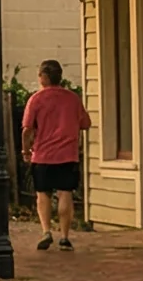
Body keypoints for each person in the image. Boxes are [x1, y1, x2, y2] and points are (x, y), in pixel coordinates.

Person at [21, 59, 91, 251]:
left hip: (42, 155)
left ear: (43, 77)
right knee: (65, 193)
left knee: (42, 194)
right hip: (68, 155)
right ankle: (65, 236)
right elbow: (86, 123)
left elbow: (27, 129)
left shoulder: (36, 99)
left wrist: (26, 150)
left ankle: (46, 231)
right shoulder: (72, 98)